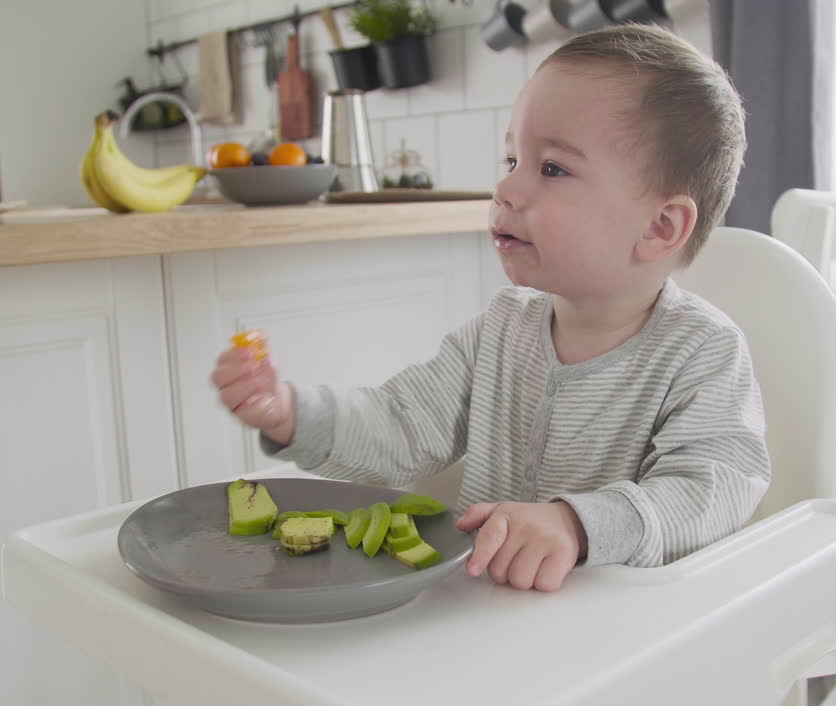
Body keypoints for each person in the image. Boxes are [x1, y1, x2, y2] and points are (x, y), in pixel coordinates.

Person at [211, 23, 768, 592]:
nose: (506, 190)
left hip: (623, 648)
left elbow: (713, 490)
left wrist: (577, 525)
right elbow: (399, 429)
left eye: (551, 168)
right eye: (511, 160)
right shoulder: (500, 332)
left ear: (659, 226)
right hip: (483, 629)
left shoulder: (703, 351)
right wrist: (293, 416)